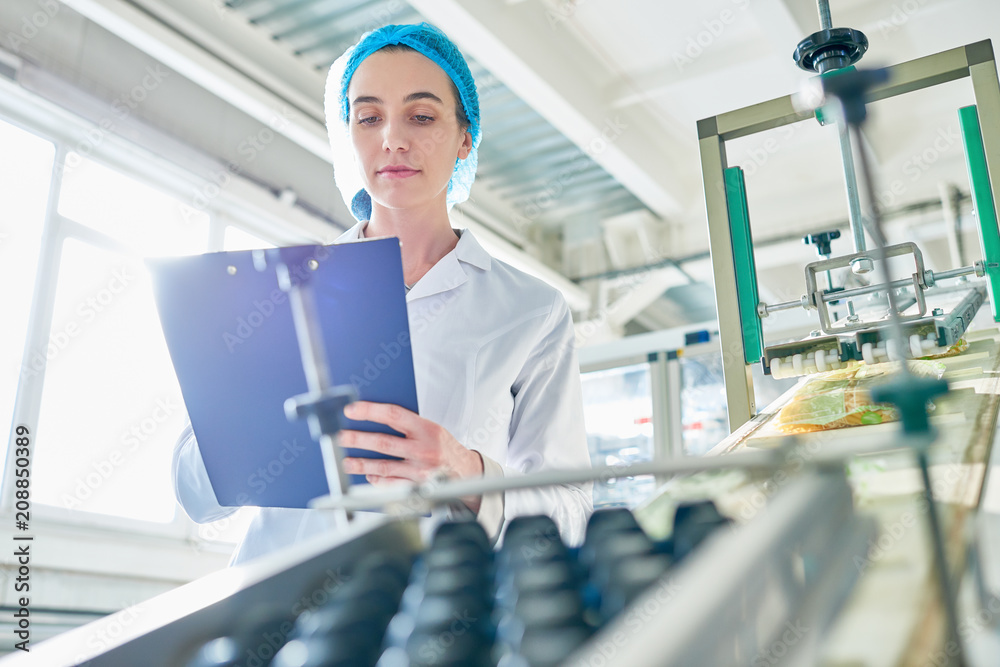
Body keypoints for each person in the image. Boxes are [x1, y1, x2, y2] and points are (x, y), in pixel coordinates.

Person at [172, 22, 593, 565]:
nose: (393, 138)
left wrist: (466, 471)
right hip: (276, 616)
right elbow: (192, 496)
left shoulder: (530, 312)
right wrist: (252, 429)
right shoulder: (278, 289)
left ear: (466, 137)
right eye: (369, 117)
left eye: (421, 116)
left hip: (434, 615)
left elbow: (572, 512)